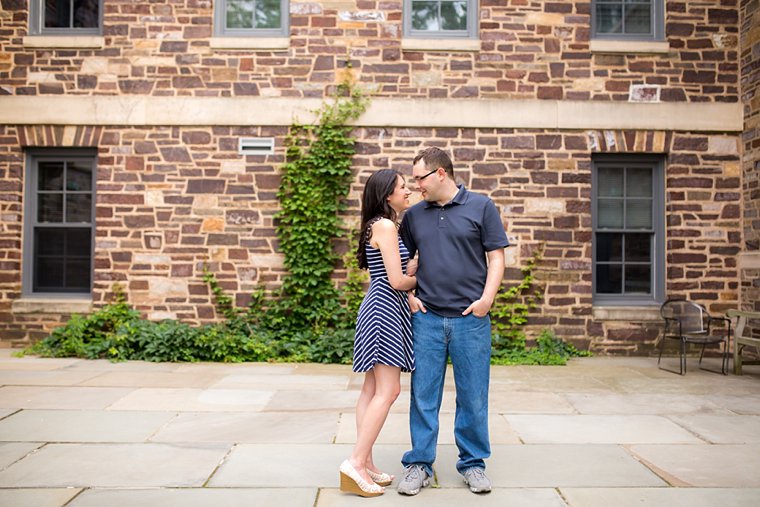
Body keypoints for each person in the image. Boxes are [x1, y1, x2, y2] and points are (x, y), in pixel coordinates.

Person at [398, 147, 509, 495]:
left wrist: (486, 301)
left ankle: (473, 464)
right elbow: (401, 260)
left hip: (470, 320)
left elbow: (497, 257)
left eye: (420, 179)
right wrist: (410, 296)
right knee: (423, 395)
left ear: (441, 173)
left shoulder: (481, 206)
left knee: (474, 396)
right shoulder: (415, 216)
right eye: (414, 180)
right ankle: (419, 464)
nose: (416, 187)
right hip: (427, 318)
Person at [339, 169, 418, 498]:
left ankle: (367, 462)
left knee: (371, 390)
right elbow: (397, 282)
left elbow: (391, 275)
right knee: (389, 390)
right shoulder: (385, 226)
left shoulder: (379, 224)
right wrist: (422, 278)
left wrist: (409, 271)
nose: (408, 191)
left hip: (381, 309)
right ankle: (356, 462)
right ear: (388, 195)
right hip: (385, 312)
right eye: (402, 187)